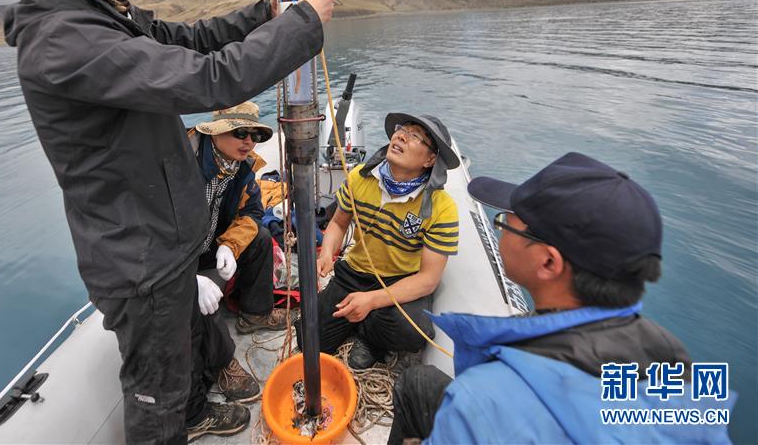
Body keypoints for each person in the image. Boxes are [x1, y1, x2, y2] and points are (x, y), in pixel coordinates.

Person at [0, 0, 335, 444]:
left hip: (163, 237)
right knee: (157, 393)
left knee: (186, 348)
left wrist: (266, 14)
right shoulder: (66, 39)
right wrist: (301, 25)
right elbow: (207, 80)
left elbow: (188, 40)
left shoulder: (97, 12)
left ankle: (196, 409)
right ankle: (178, 417)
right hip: (136, 257)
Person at [389, 152, 735, 444]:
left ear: (548, 262)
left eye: (506, 223)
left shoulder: (480, 400)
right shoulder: (673, 357)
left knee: (415, 383)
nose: (501, 228)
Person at [297, 113, 461, 369]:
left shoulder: (442, 208)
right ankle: (363, 318)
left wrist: (372, 300)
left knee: (413, 331)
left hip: (401, 280)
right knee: (309, 338)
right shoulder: (359, 178)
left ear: (430, 159)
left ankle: (369, 337)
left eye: (415, 136)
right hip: (354, 272)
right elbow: (339, 223)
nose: (401, 136)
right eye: (401, 130)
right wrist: (327, 252)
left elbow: (428, 280)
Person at [188, 102, 291, 335]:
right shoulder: (183, 162)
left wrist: (228, 245)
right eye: (241, 133)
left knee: (261, 238)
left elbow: (252, 212)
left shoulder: (242, 167)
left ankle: (255, 314)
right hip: (177, 258)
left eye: (254, 135)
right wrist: (187, 279)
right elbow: (157, 230)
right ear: (215, 131)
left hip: (210, 246)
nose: (249, 142)